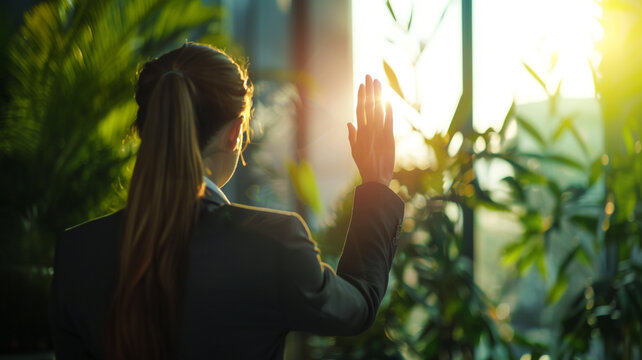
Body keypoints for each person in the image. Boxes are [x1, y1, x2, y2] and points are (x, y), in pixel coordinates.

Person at [49, 42, 404, 360]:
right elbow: (357, 306)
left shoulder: (77, 252)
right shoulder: (272, 243)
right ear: (235, 133)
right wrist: (375, 185)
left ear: (147, 127)